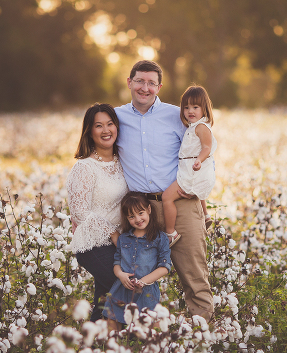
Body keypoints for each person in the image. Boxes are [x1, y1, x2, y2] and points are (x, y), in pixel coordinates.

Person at [115, 60, 215, 321]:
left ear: (159, 87)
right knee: (135, 277)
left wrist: (201, 198)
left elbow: (202, 152)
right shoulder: (117, 117)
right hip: (140, 211)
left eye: (151, 83)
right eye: (139, 81)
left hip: (180, 203)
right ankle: (138, 334)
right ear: (129, 82)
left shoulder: (178, 116)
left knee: (194, 275)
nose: (144, 88)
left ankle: (203, 338)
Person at [66, 103, 129, 322]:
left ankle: (91, 352)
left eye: (110, 124)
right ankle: (132, 344)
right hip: (93, 244)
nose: (106, 130)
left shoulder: (123, 162)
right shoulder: (85, 167)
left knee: (103, 303)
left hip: (119, 243)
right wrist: (112, 233)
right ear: (89, 132)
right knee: (125, 288)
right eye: (98, 126)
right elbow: (79, 211)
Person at [103, 191, 171, 331]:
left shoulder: (160, 238)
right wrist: (121, 275)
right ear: (127, 218)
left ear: (149, 210)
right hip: (121, 289)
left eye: (141, 213)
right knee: (111, 328)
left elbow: (164, 267)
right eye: (131, 216)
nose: (138, 219)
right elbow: (117, 263)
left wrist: (143, 281)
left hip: (146, 291)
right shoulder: (123, 239)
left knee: (152, 330)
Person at [162, 85, 217, 247]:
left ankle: (171, 232)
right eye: (186, 107)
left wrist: (199, 160)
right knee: (198, 192)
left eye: (195, 107)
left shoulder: (201, 127)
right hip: (191, 168)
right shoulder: (194, 126)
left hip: (193, 168)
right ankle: (206, 215)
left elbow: (206, 147)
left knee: (166, 197)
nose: (190, 111)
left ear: (204, 108)